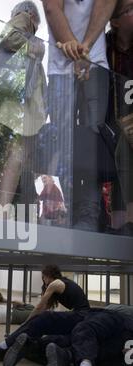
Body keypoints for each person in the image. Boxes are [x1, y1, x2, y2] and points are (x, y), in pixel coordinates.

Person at [42, 0, 118, 230]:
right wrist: (78, 50)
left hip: (94, 64)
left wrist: (84, 47)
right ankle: (60, 214)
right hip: (61, 68)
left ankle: (88, 215)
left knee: (91, 143)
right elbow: (51, 7)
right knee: (61, 143)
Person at [0, 1, 47, 210]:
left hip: (14, 107)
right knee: (13, 160)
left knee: (8, 162)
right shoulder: (24, 17)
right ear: (32, 16)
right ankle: (0, 216)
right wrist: (34, 48)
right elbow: (11, 36)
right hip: (15, 107)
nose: (37, 28)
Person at [0, 264, 91, 364]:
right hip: (80, 317)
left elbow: (39, 307)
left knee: (42, 318)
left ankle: (2, 347)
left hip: (81, 316)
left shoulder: (55, 284)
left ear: (47, 276)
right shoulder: (60, 284)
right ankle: (15, 345)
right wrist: (30, 323)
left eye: (43, 278)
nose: (43, 281)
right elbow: (44, 308)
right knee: (41, 322)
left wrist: (26, 322)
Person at [43, 306, 133, 366]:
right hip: (114, 316)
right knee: (85, 329)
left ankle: (63, 354)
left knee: (75, 339)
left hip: (111, 321)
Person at [106, 0, 133, 235]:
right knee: (114, 164)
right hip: (111, 120)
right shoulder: (105, 46)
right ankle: (118, 224)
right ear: (114, 21)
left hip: (130, 120)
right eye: (130, 9)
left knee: (125, 154)